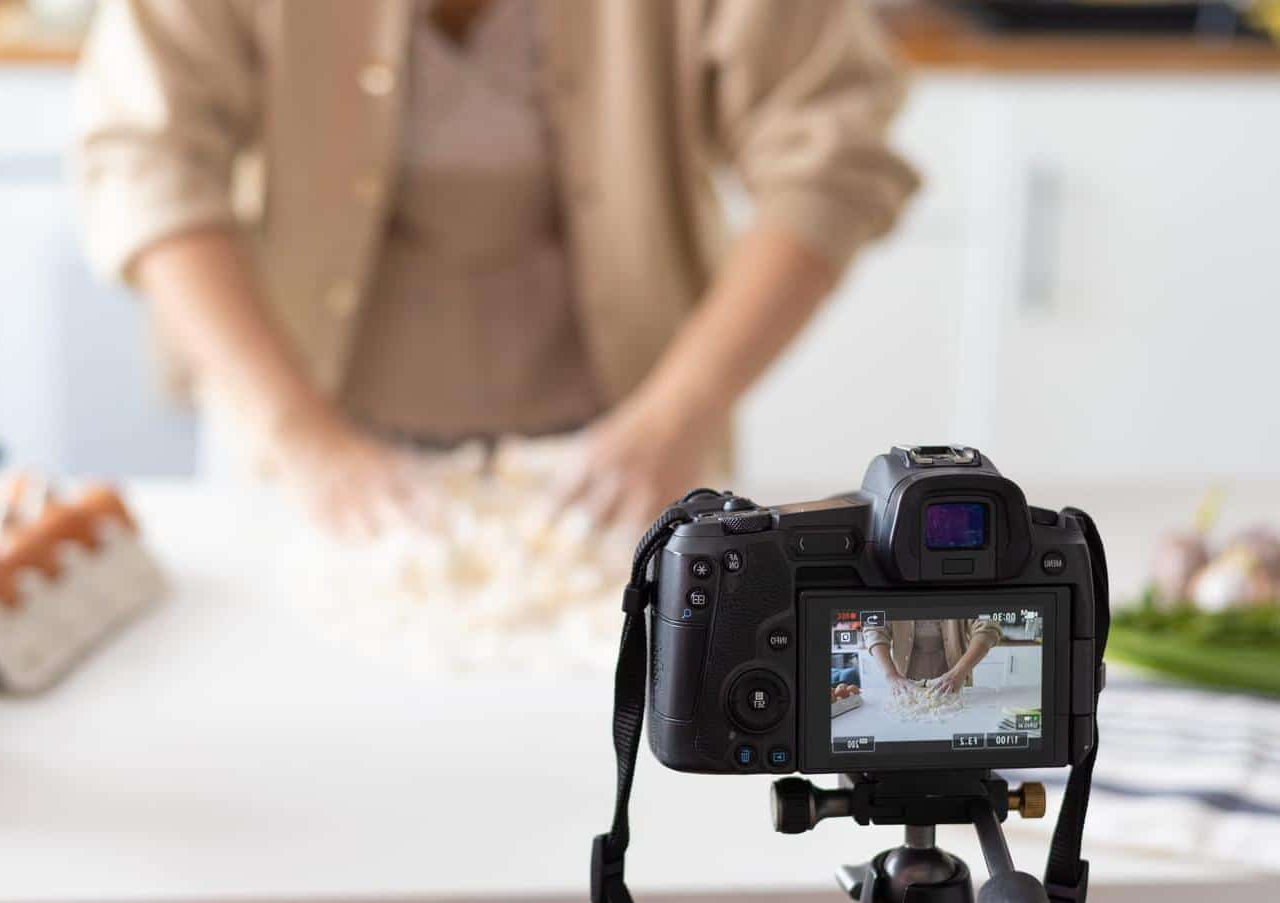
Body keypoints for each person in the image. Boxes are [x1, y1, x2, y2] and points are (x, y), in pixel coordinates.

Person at [74, 0, 918, 536]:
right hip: (298, 439)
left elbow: (831, 160)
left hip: (629, 441)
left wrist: (678, 413)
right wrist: (301, 433)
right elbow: (147, 163)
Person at [861, 619, 1004, 696]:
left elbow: (988, 628)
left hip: (954, 684)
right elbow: (874, 629)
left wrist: (959, 672)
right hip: (906, 687)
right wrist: (891, 676)